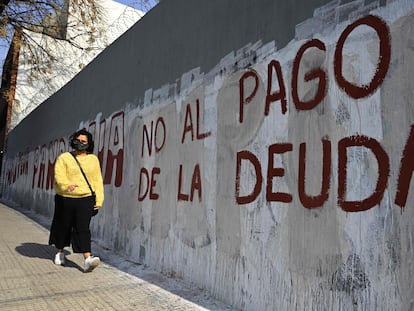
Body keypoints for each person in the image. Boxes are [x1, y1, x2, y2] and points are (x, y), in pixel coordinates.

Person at [49, 129, 104, 272]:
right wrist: (67, 185)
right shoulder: (64, 158)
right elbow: (59, 175)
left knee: (83, 228)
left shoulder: (93, 159)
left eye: (83, 141)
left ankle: (87, 259)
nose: (80, 143)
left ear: (89, 144)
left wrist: (99, 200)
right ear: (73, 140)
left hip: (86, 198)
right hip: (65, 198)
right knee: (63, 226)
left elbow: (97, 180)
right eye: (78, 140)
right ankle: (60, 252)